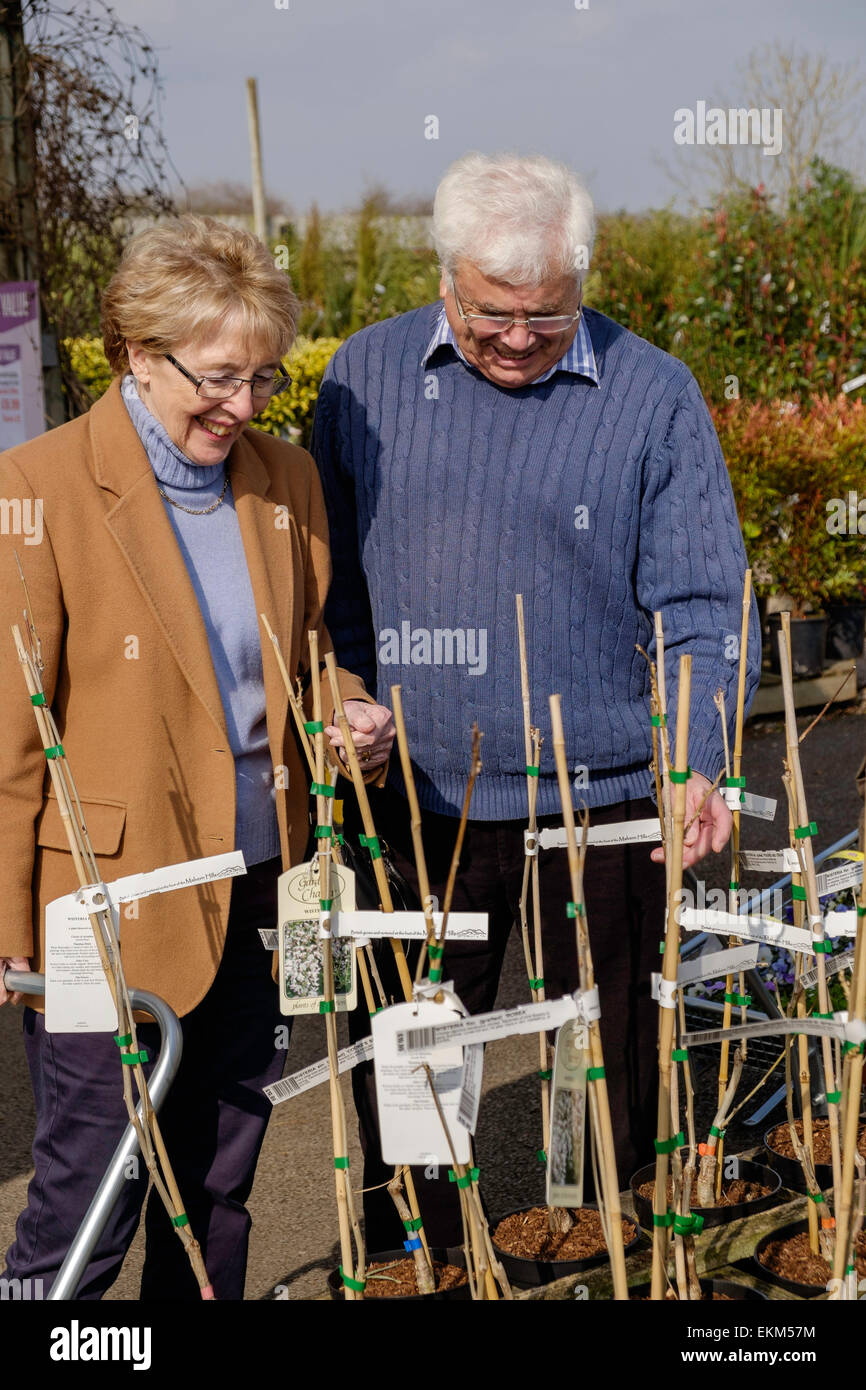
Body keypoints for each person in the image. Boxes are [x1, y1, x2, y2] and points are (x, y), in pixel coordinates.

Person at [311, 152, 761, 1249]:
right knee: (415, 1044)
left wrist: (697, 754)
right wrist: (343, 694)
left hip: (602, 794)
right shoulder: (361, 379)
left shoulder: (651, 392)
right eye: (488, 314)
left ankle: (598, 1243)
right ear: (444, 279)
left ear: (581, 283)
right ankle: (417, 1254)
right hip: (419, 789)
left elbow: (701, 600)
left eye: (546, 318)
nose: (516, 338)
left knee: (601, 1050)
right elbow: (319, 587)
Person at [0, 214, 394, 1299]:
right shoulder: (39, 488)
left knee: (219, 1171)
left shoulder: (285, 482)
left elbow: (306, 658)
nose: (242, 405)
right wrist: (7, 932)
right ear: (135, 349)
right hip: (107, 902)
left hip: (263, 882)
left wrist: (347, 713)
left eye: (264, 378)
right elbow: (10, 737)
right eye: (218, 377)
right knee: (94, 1179)